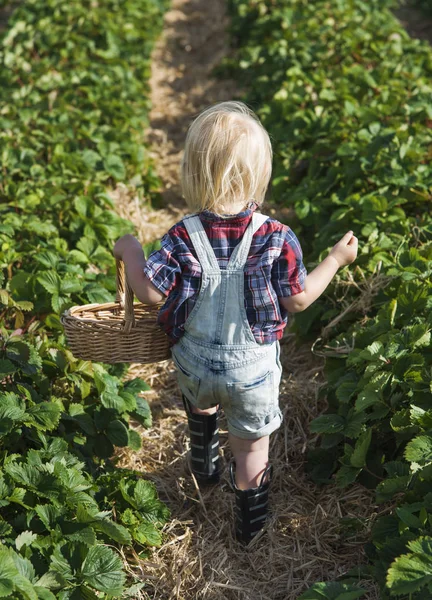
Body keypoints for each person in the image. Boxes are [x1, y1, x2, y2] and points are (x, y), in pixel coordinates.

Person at [113, 101, 358, 544]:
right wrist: (337, 260)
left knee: (203, 398)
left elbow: (150, 294)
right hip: (251, 375)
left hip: (196, 368)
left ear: (195, 172)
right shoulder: (277, 237)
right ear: (259, 175)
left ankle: (203, 458)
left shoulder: (182, 234)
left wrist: (131, 250)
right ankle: (249, 527)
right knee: (250, 448)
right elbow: (299, 300)